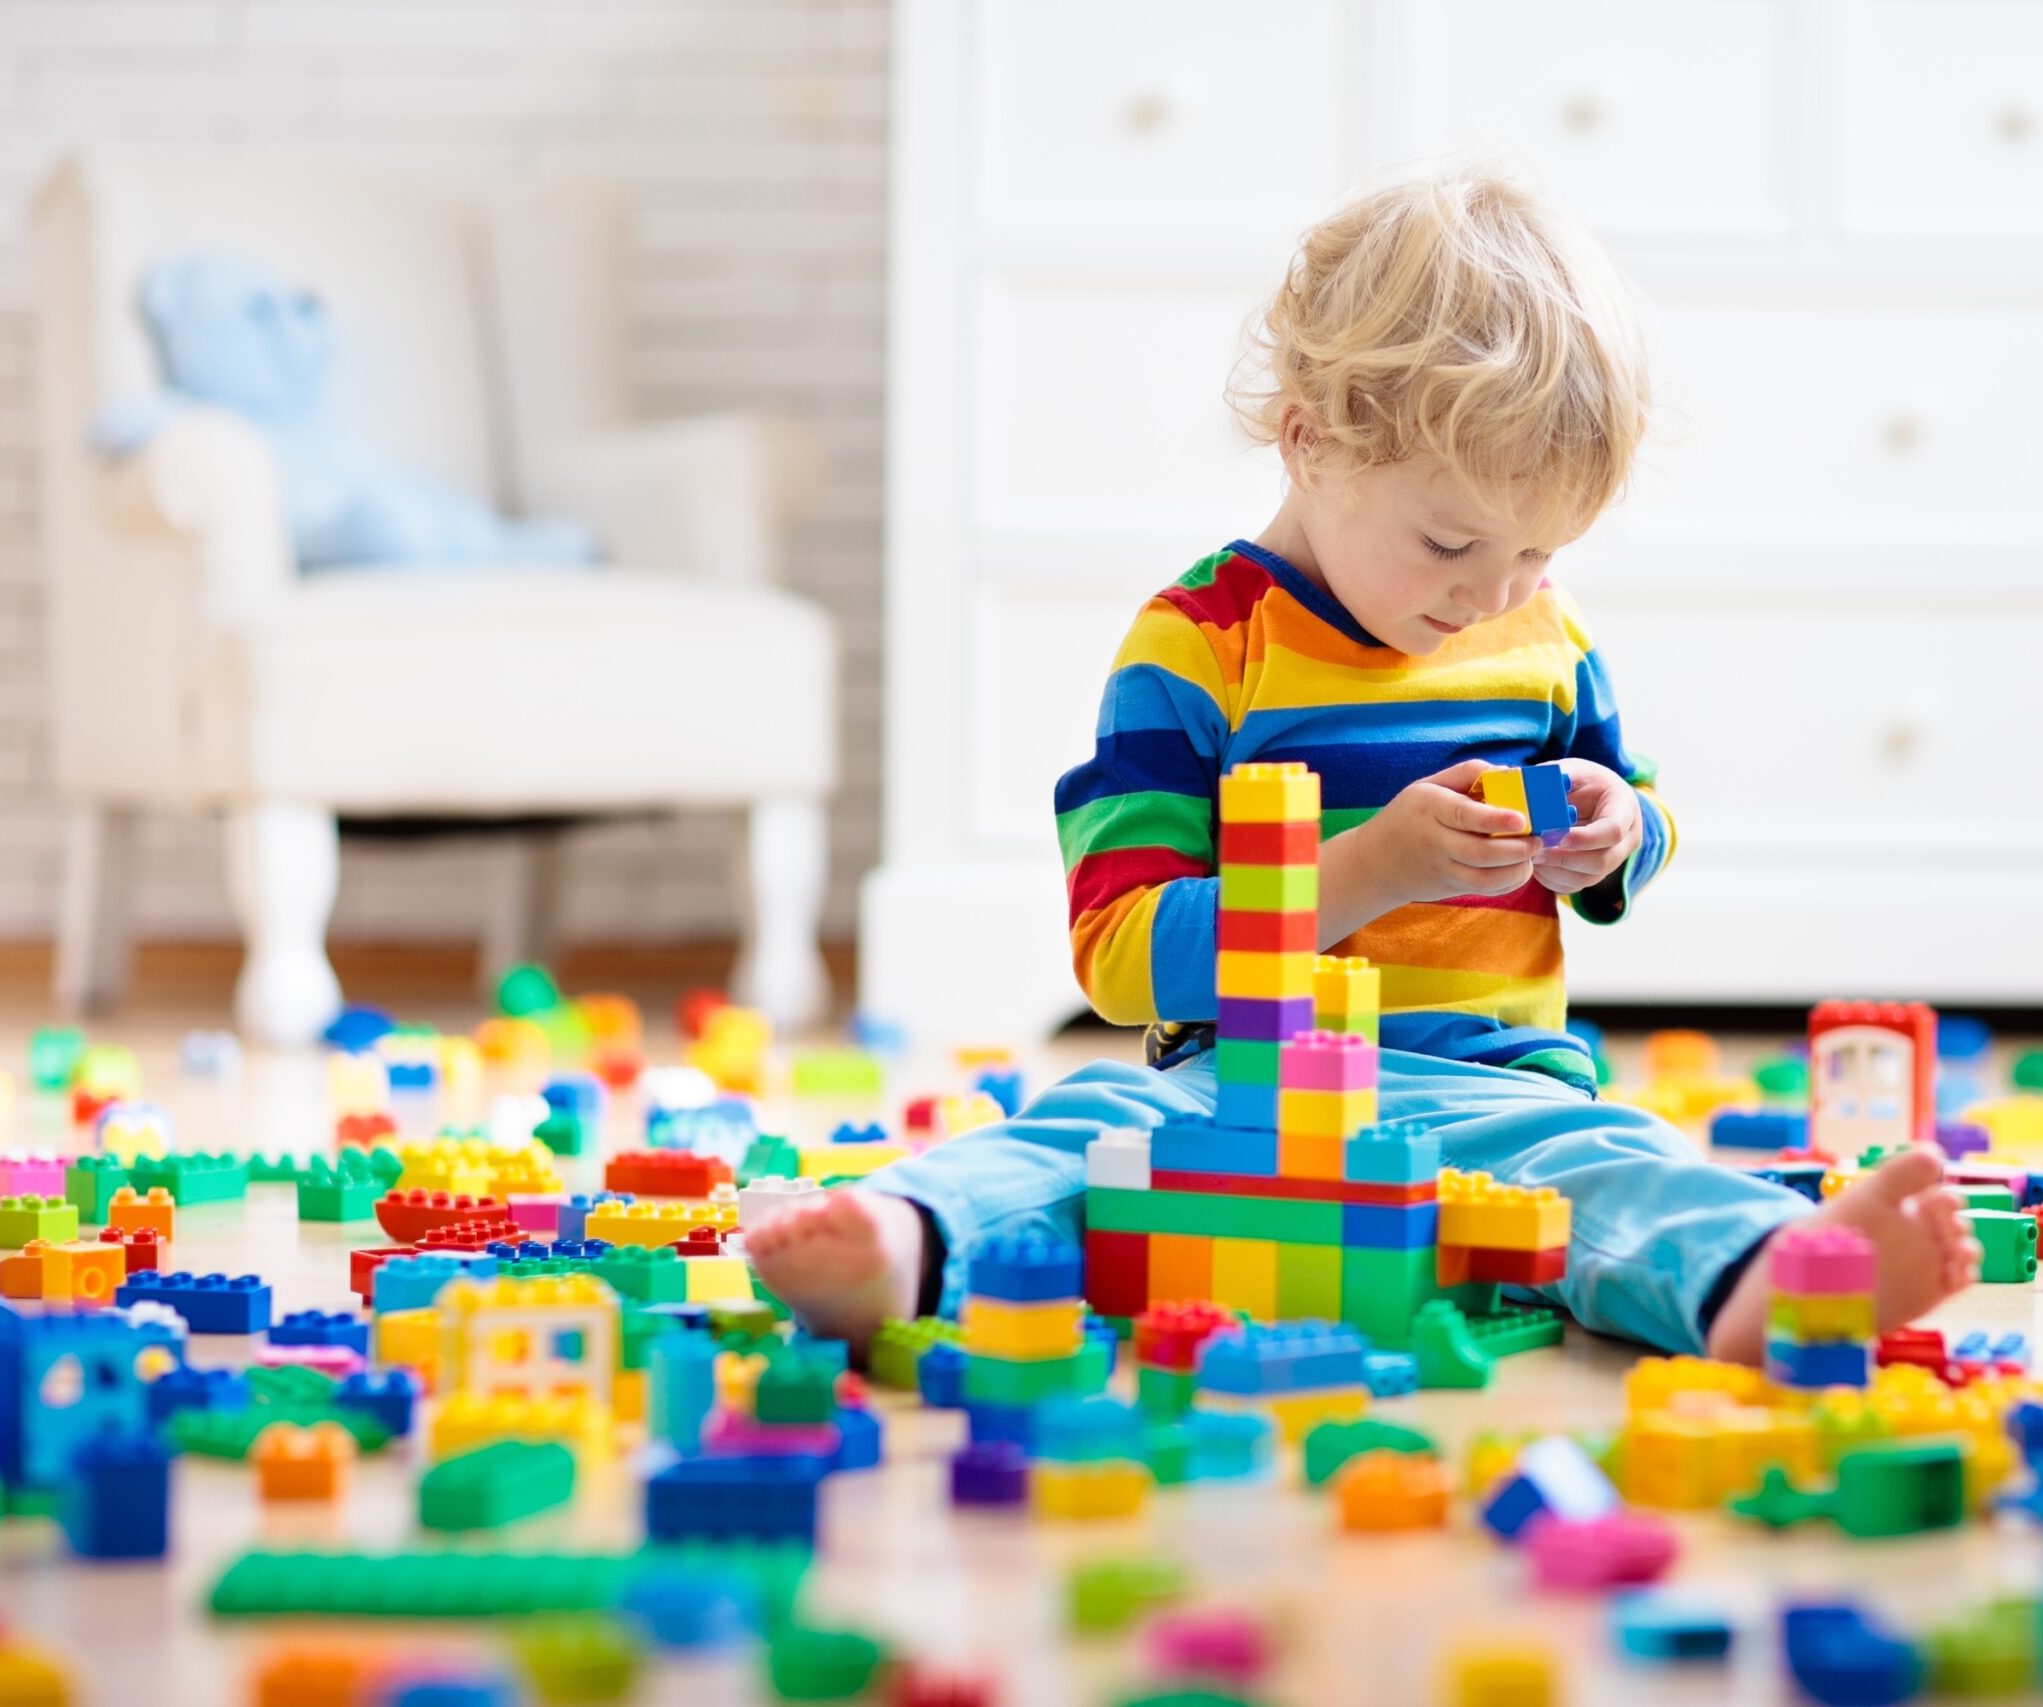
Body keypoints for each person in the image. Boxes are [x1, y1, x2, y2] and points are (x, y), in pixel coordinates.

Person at [749, 172, 1979, 1361]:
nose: (1492, 593)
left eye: (1538, 553)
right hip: (1238, 1091)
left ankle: (1764, 1280)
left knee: (1618, 1165)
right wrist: (1367, 869)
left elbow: (1630, 815)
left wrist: (1618, 832)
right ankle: (902, 1244)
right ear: (1310, 444)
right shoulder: (1201, 646)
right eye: (1450, 542)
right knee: (1077, 1135)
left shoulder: (1538, 639)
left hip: (1494, 1088)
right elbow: (1121, 957)